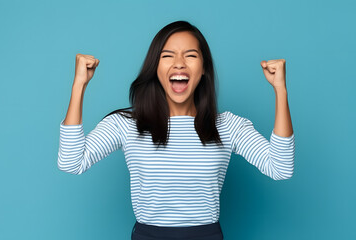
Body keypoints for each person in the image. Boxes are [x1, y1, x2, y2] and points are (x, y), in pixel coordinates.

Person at [57, 20, 295, 240]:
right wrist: (79, 85)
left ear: (203, 69)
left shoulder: (228, 126)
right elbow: (71, 162)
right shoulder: (126, 124)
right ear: (156, 68)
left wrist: (280, 90)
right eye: (168, 55)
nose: (179, 63)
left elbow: (280, 167)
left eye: (190, 55)